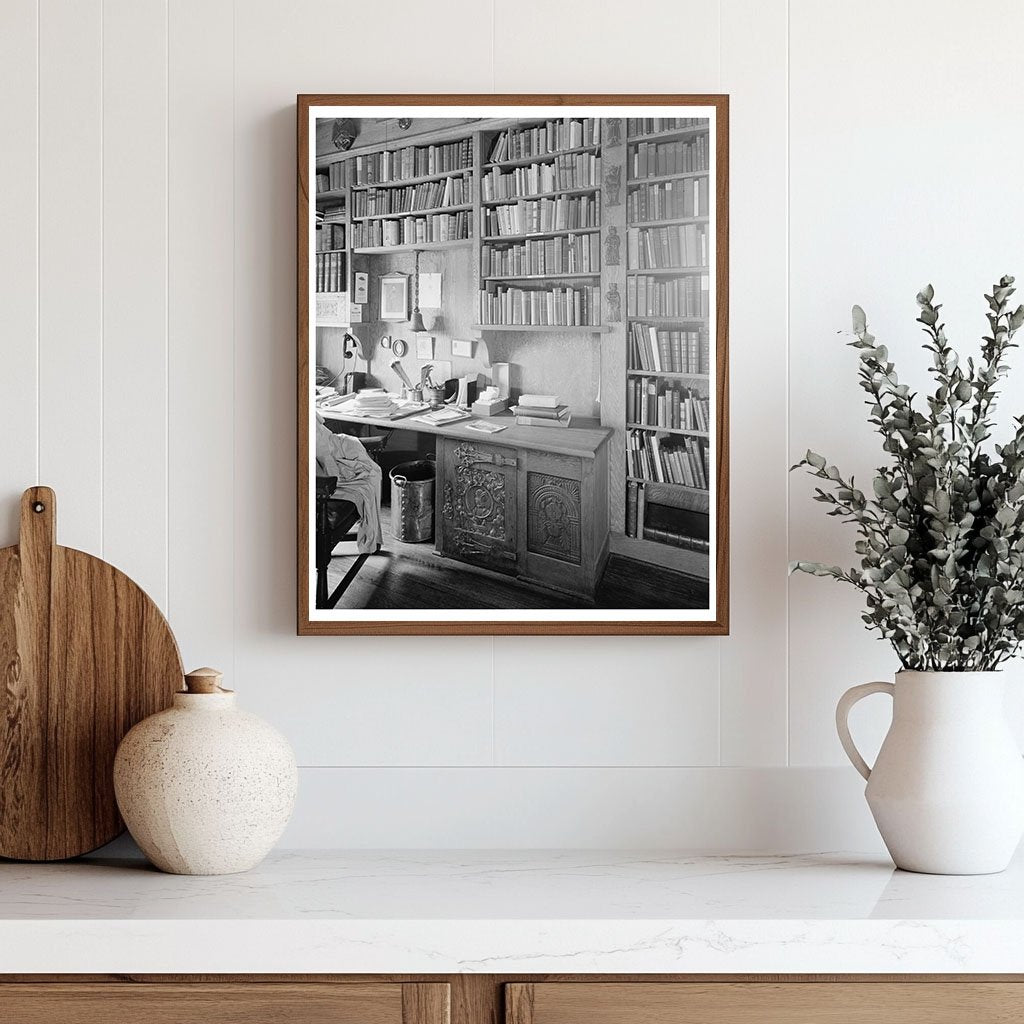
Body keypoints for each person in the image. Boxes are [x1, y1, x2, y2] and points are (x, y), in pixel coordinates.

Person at [314, 413, 382, 553]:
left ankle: (371, 538)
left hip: (328, 456)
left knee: (371, 472)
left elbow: (325, 440)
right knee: (366, 476)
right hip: (321, 484)